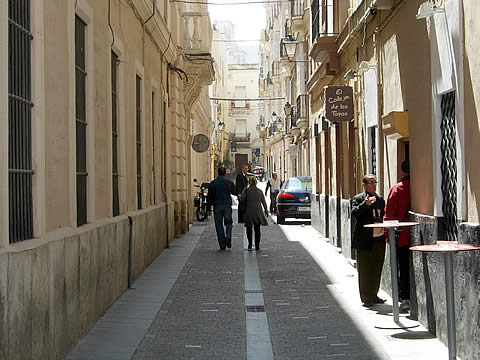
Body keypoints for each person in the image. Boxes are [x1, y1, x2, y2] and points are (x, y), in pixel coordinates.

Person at [351, 174, 386, 307]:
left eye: (375, 182)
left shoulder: (380, 200)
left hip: (378, 239)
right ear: (364, 185)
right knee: (365, 269)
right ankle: (366, 297)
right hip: (364, 239)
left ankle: (374, 294)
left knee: (376, 267)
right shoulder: (358, 198)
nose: (373, 184)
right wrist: (365, 205)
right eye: (370, 182)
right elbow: (354, 213)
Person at [384, 160, 411, 312]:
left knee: (401, 267)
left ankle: (404, 297)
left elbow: (389, 214)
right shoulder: (418, 186)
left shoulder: (397, 189)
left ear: (401, 171)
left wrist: (388, 234)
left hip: (401, 236)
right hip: (412, 233)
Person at [207, 167, 236, 250]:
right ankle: (228, 236)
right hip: (227, 205)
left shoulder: (213, 183)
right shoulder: (229, 182)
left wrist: (208, 209)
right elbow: (234, 191)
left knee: (218, 225)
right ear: (224, 173)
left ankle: (222, 244)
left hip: (217, 206)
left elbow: (209, 197)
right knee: (229, 223)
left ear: (217, 173)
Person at [240, 176, 268, 250]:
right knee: (257, 229)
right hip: (258, 212)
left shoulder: (246, 190)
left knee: (249, 229)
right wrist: (266, 210)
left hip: (248, 211)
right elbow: (263, 202)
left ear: (249, 182)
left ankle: (249, 244)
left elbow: (241, 199)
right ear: (256, 182)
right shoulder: (259, 191)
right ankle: (257, 245)